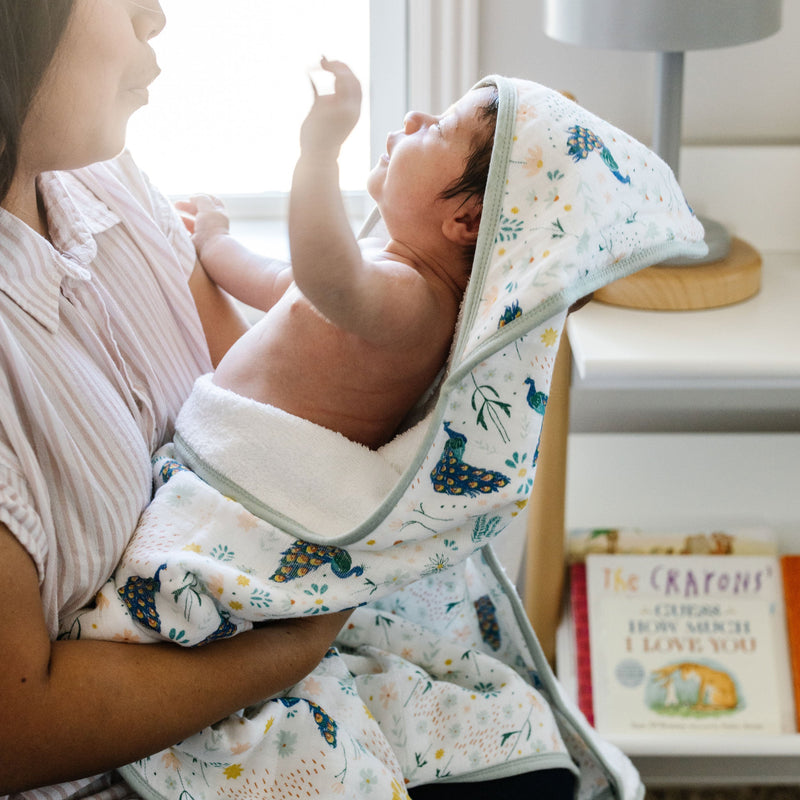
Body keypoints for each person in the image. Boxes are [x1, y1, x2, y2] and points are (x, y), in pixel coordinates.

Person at [0, 2, 349, 794]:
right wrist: (290, 649)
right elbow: (15, 724)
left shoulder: (105, 180)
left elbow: (257, 403)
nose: (153, 14)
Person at [177, 56, 498, 450]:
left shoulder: (416, 301)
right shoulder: (384, 262)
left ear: (467, 219)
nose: (415, 117)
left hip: (255, 473)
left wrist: (319, 155)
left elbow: (326, 280)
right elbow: (277, 281)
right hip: (218, 444)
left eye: (441, 128)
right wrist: (214, 240)